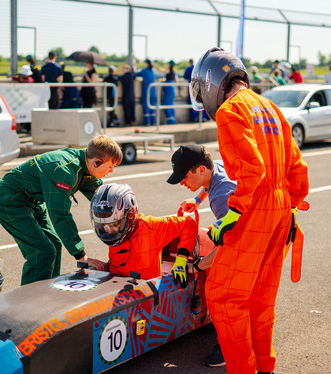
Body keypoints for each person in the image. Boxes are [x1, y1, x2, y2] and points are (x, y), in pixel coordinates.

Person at [190, 47, 309, 374]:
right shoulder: (271, 107)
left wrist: (229, 220)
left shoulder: (230, 112)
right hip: (283, 210)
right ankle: (264, 367)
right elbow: (298, 168)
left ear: (212, 83)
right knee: (260, 299)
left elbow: (252, 171)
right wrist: (291, 206)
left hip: (255, 209)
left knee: (224, 296)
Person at [0, 135, 122, 285]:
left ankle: (48, 292)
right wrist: (81, 256)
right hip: (8, 200)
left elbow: (101, 197)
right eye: (110, 166)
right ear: (97, 162)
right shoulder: (64, 170)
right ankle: (29, 301)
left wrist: (124, 217)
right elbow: (60, 215)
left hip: (31, 200)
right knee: (42, 251)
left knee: (55, 245)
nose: (111, 171)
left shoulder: (86, 164)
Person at [166, 144, 237, 367]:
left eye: (184, 176)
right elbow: (209, 185)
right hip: (255, 228)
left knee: (218, 291)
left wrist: (195, 267)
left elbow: (229, 245)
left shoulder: (222, 196)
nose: (181, 183)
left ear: (200, 170)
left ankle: (230, 348)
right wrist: (196, 200)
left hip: (258, 238)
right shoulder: (214, 167)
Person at [86, 183, 197, 288]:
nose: (109, 231)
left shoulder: (152, 226)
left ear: (130, 215)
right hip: (116, 289)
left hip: (146, 295)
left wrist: (181, 259)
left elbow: (188, 224)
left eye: (114, 224)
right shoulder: (115, 232)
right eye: (103, 226)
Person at [136, 59, 157, 125]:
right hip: (153, 91)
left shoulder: (144, 70)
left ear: (146, 63)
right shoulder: (153, 70)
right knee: (152, 106)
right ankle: (154, 122)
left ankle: (147, 122)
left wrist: (134, 66)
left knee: (146, 106)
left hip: (146, 90)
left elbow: (136, 73)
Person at [161, 60, 178, 124]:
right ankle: (173, 120)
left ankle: (170, 120)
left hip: (169, 88)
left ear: (169, 65)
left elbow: (161, 70)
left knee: (165, 104)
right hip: (172, 87)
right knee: (171, 104)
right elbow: (176, 80)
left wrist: (154, 66)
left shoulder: (169, 70)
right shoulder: (174, 71)